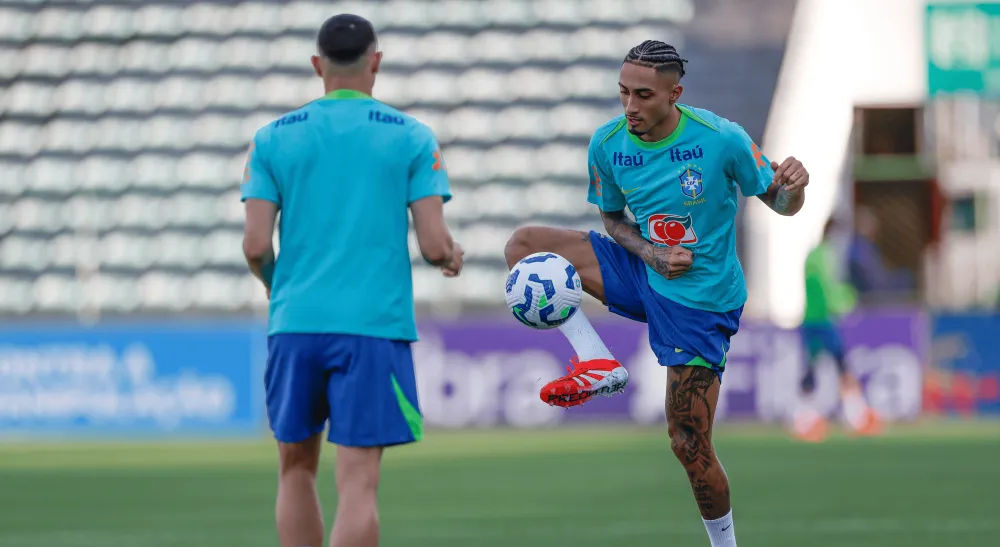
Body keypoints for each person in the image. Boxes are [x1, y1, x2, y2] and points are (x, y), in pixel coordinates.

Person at [504, 40, 809, 547]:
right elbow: (611, 219)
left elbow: (780, 202)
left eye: (643, 95)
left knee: (688, 442)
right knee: (524, 246)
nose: (630, 107)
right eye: (623, 92)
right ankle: (596, 359)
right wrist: (649, 253)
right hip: (646, 266)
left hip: (701, 298)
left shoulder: (721, 138)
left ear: (675, 93)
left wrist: (795, 188)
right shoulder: (608, 144)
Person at [240, 14, 462, 547]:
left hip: (295, 324)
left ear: (317, 65)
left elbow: (253, 246)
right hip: (372, 328)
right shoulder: (410, 136)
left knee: (295, 470)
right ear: (376, 62)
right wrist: (451, 255)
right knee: (358, 485)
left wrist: (277, 284)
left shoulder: (272, 138)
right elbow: (433, 245)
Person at [792, 218, 882, 442]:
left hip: (810, 319)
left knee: (812, 370)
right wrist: (847, 300)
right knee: (842, 367)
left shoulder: (812, 255)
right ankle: (855, 417)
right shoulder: (826, 257)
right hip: (824, 320)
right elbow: (828, 289)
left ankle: (804, 419)